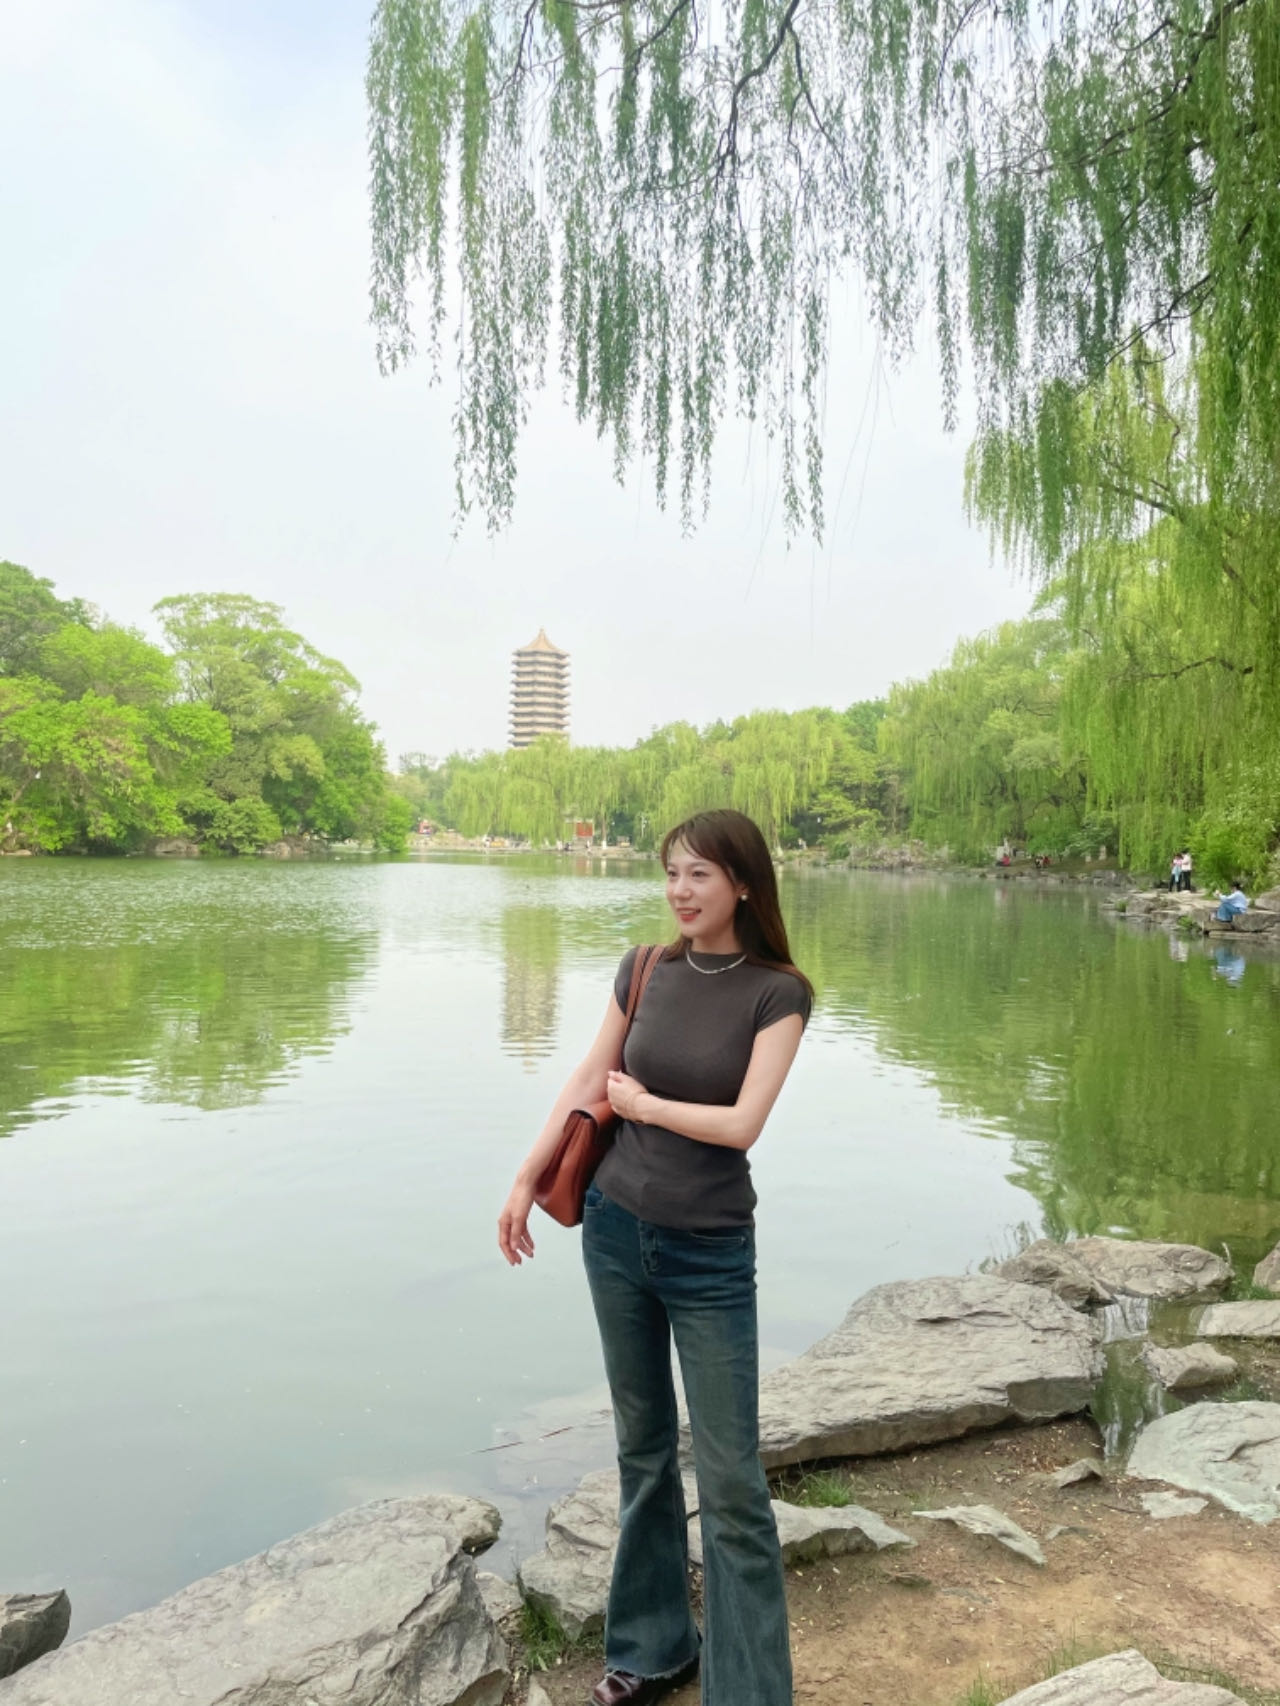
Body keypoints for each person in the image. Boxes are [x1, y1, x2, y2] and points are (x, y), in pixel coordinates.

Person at [498, 809, 812, 1706]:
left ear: (743, 884)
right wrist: (525, 1177)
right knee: (641, 1449)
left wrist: (646, 1108)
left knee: (732, 1482)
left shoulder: (778, 993)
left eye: (699, 874)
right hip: (613, 1231)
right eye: (672, 872)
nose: (680, 890)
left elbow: (743, 1124)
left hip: (709, 1253)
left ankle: (747, 1692)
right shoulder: (644, 968)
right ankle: (653, 1647)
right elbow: (587, 1079)